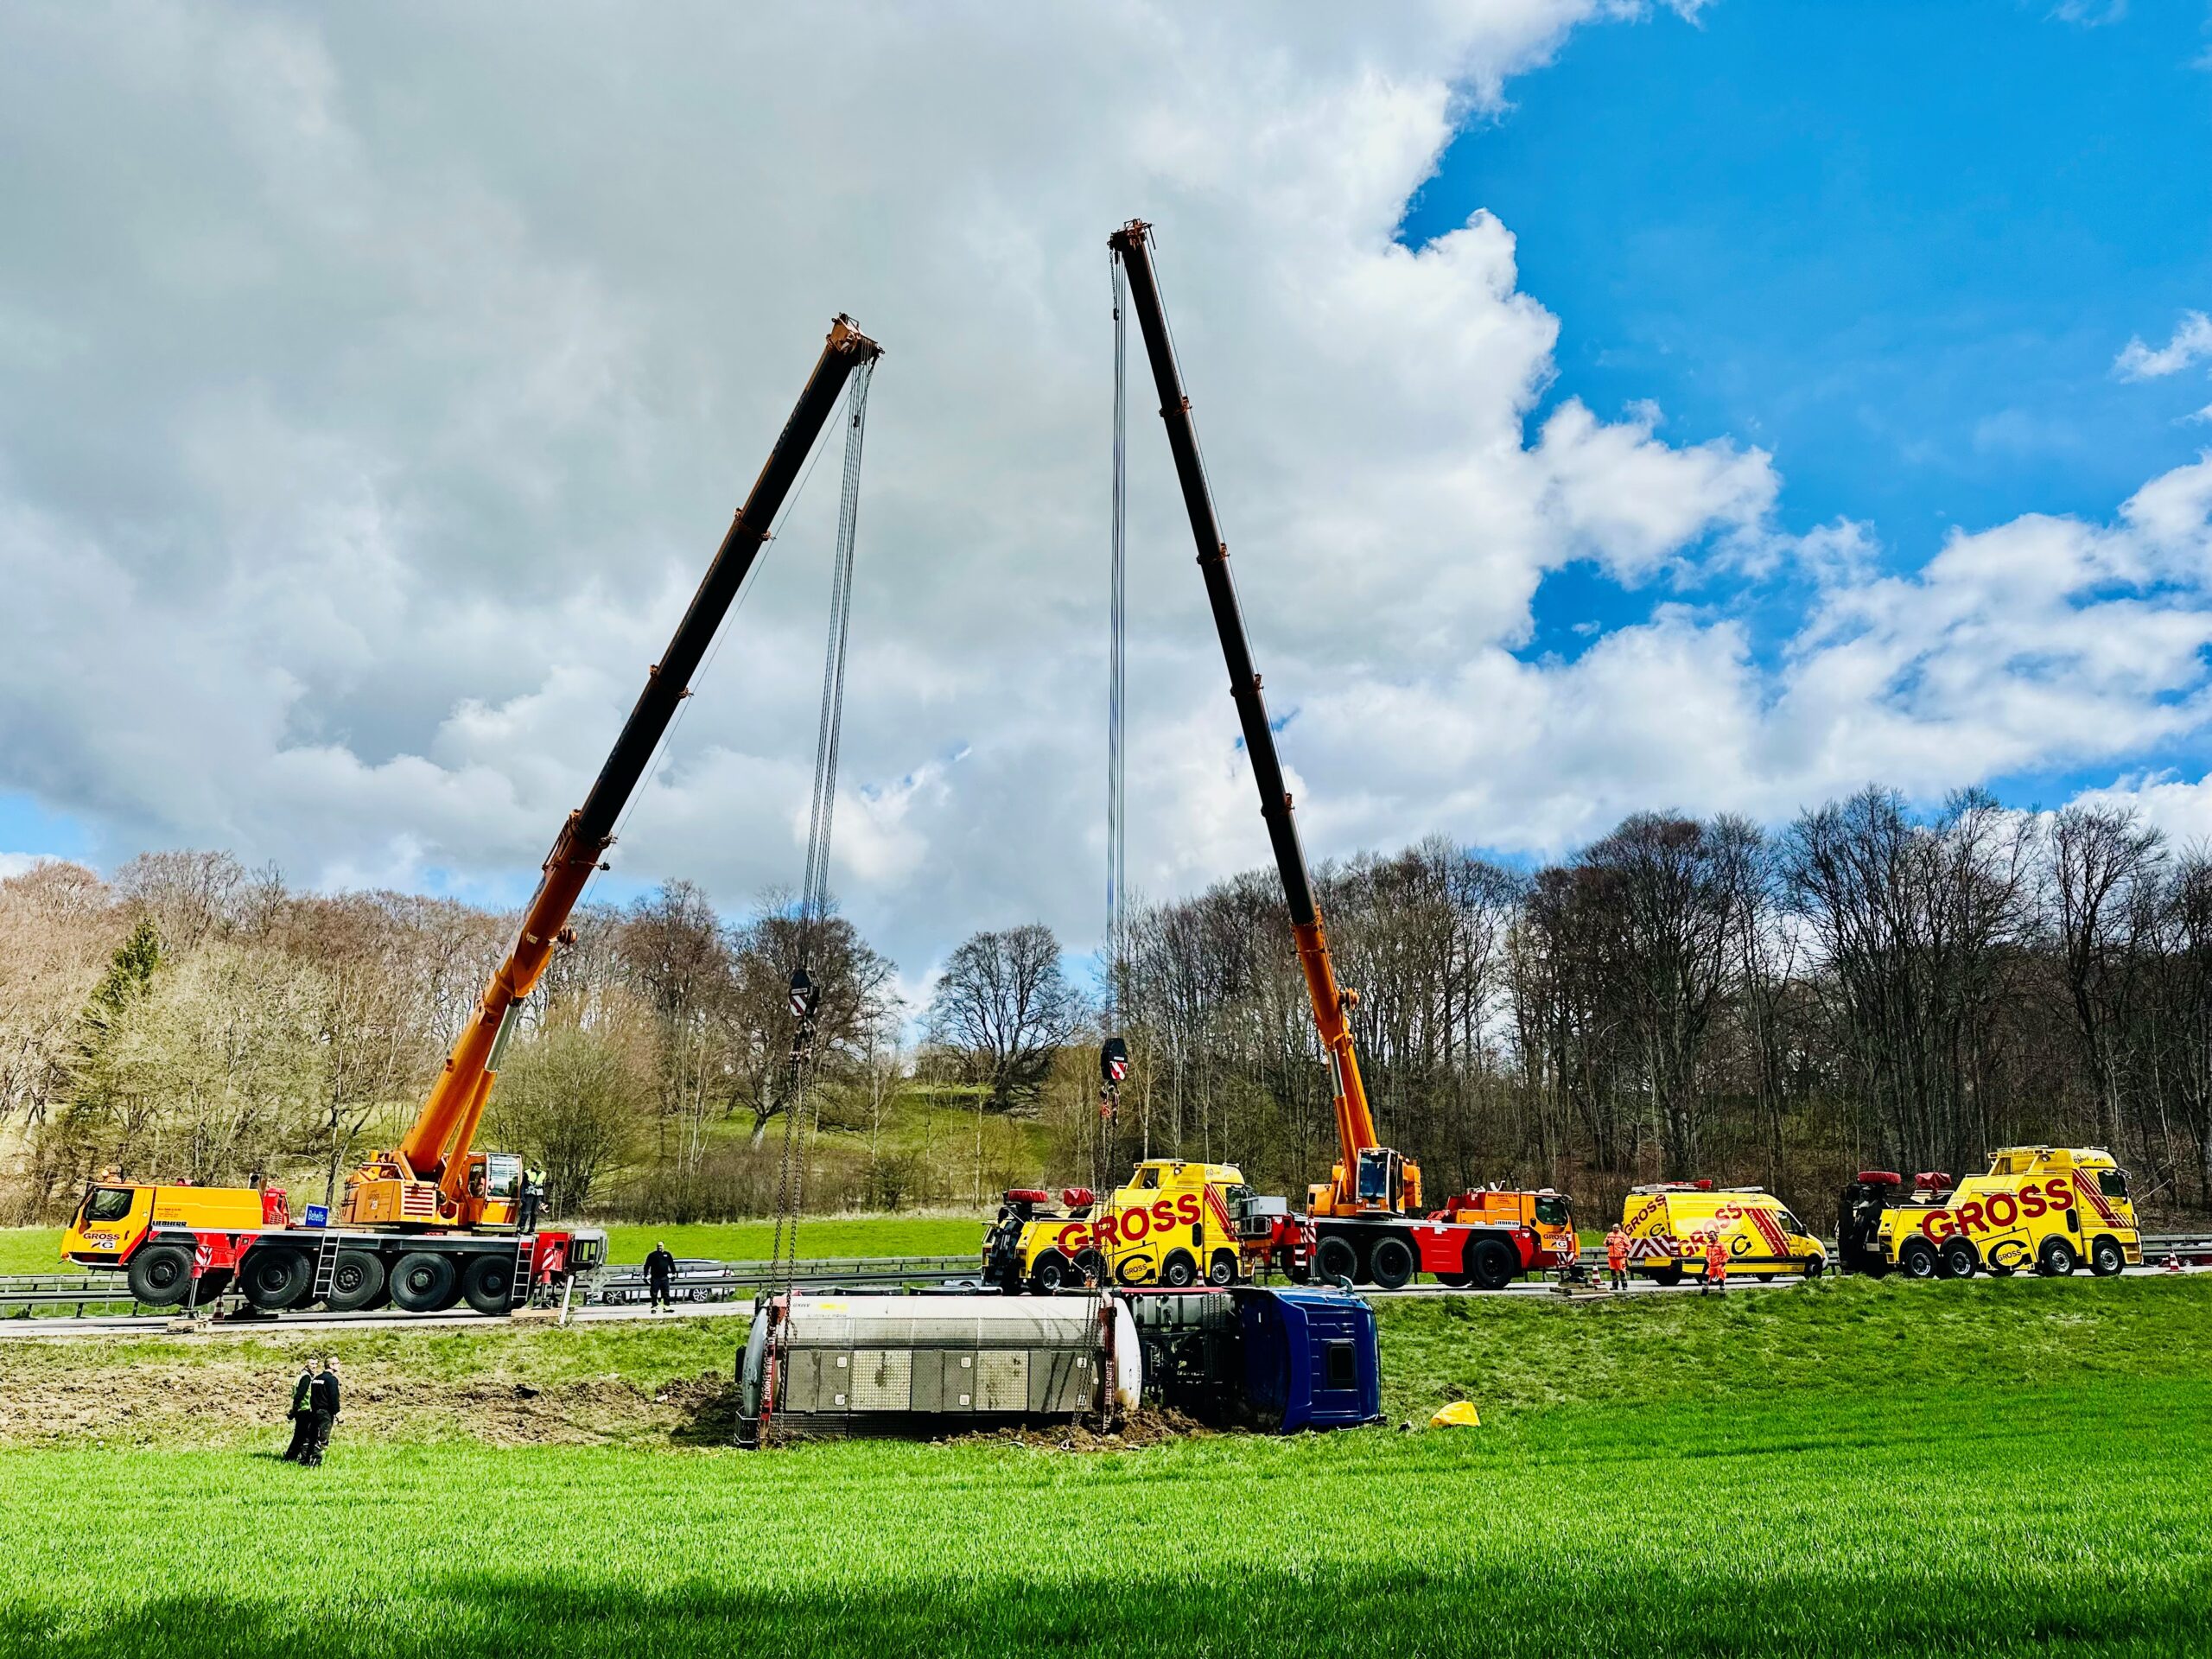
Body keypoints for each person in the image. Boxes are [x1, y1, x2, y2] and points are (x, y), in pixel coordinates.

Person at [302, 1357, 341, 1466]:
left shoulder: (316, 1379)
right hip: (325, 1413)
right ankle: (315, 1463)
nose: (339, 1365)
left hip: (314, 1411)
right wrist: (338, 1413)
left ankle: (304, 1460)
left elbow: (312, 1397)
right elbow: (333, 1397)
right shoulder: (332, 1380)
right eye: (338, 1363)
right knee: (322, 1439)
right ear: (331, 1365)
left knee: (311, 1437)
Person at [281, 1359, 316, 1461]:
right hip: (305, 1409)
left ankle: (292, 1456)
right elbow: (300, 1394)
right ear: (306, 1364)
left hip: (300, 1409)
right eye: (312, 1364)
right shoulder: (306, 1377)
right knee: (301, 1436)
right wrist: (295, 1408)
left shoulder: (300, 1375)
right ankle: (290, 1457)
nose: (314, 1366)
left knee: (300, 1435)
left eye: (316, 1364)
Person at [645, 1241, 677, 1313]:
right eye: (658, 1246)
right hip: (655, 1278)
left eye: (661, 1246)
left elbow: (672, 1265)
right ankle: (654, 1307)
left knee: (666, 1293)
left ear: (663, 1246)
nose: (659, 1247)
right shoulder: (652, 1255)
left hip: (665, 1278)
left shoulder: (667, 1255)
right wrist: (645, 1275)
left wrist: (674, 1273)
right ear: (656, 1247)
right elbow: (647, 1266)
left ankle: (666, 1307)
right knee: (654, 1293)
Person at [517, 1165, 546, 1233]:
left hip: (538, 1194)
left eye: (539, 1166)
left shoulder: (543, 1173)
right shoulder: (528, 1173)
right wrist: (522, 1196)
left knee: (535, 1213)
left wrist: (543, 1199)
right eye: (537, 1166)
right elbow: (523, 1185)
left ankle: (531, 1229)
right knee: (525, 1212)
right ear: (533, 1166)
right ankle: (520, 1228)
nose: (538, 1168)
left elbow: (543, 1186)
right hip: (529, 1194)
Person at [1605, 1224, 1630, 1292]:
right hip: (1611, 1256)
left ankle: (1624, 1285)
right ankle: (1615, 1285)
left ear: (1619, 1228)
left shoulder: (1623, 1235)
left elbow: (1629, 1245)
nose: (1614, 1229)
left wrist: (1626, 1250)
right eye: (1613, 1228)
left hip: (1620, 1256)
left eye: (1616, 1228)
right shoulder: (1609, 1234)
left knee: (1622, 1271)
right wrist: (1607, 1243)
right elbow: (1605, 1243)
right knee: (1612, 1271)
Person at [1703, 1229, 1730, 1294]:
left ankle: (1722, 1293)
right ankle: (1704, 1293)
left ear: (1716, 1236)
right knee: (1705, 1278)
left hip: (1719, 1265)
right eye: (1709, 1235)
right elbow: (1707, 1254)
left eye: (1712, 1235)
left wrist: (1723, 1262)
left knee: (1721, 1279)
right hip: (1711, 1266)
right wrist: (1707, 1260)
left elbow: (1726, 1255)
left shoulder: (1721, 1244)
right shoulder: (1708, 1245)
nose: (1710, 1236)